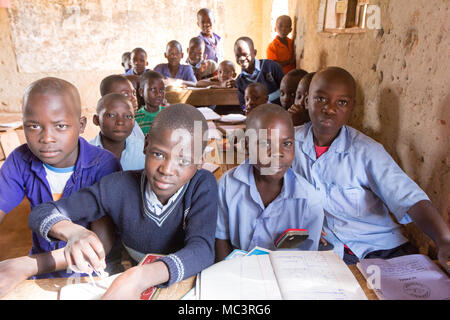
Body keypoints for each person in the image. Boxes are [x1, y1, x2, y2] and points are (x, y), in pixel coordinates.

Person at [28, 104, 219, 299]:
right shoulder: (118, 186)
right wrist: (74, 232)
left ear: (200, 162)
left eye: (184, 161)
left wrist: (139, 277)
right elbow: (41, 213)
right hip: (134, 286)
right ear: (146, 145)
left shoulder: (201, 185)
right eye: (158, 154)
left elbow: (202, 250)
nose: (167, 169)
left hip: (183, 286)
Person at [292, 66, 450, 270]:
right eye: (320, 99)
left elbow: (410, 199)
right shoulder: (288, 143)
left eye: (342, 102)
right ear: (306, 101)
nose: (329, 109)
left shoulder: (367, 151)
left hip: (383, 249)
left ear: (351, 108)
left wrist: (443, 239)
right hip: (330, 253)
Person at [0, 78, 121, 296]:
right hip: (43, 274)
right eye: (34, 126)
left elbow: (101, 245)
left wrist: (28, 265)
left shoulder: (104, 164)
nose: (46, 138)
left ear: (82, 125)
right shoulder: (20, 160)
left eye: (61, 126)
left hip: (91, 275)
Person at [215, 104, 323, 261]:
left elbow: (306, 257)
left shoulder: (309, 200)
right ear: (247, 146)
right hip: (235, 275)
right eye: (266, 144)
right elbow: (221, 238)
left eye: (286, 144)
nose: (277, 153)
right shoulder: (227, 185)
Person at [90, 93, 145, 171]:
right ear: (96, 120)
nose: (120, 122)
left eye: (128, 116)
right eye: (111, 115)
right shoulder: (86, 153)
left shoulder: (142, 150)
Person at [234, 37, 284, 108]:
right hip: (257, 116)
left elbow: (284, 90)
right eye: (237, 56)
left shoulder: (271, 66)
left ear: (254, 53)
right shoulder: (240, 81)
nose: (241, 59)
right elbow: (243, 105)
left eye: (245, 54)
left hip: (278, 112)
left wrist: (264, 101)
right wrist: (246, 109)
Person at [99, 74, 145, 142]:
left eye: (134, 93)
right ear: (107, 99)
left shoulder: (134, 124)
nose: (134, 98)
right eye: (125, 94)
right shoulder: (116, 130)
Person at [135, 70, 166, 135]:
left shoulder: (168, 114)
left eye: (161, 90)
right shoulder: (136, 119)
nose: (158, 94)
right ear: (141, 92)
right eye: (152, 89)